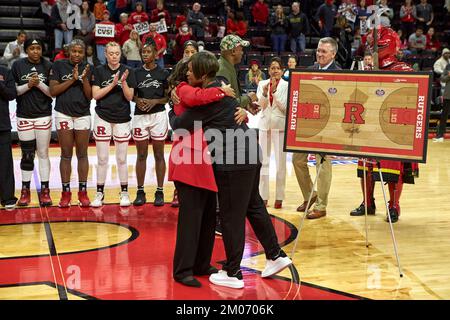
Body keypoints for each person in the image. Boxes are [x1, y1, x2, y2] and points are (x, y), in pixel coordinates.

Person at [169, 51, 292, 289]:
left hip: (233, 160)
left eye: (192, 70)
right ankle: (276, 255)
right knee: (253, 205)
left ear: (203, 75)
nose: (188, 73)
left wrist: (177, 105)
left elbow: (178, 124)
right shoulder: (221, 87)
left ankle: (233, 272)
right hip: (251, 153)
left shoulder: (209, 98)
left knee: (231, 215)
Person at [167, 53, 237, 288]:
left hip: (205, 162)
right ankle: (183, 270)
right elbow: (197, 99)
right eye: (186, 69)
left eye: (191, 68)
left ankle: (201, 264)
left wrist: (243, 106)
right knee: (191, 219)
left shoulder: (204, 91)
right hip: (188, 161)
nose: (187, 72)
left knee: (207, 217)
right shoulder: (184, 89)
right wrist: (223, 92)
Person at [354, 26, 419, 223]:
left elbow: (413, 102)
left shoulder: (404, 70)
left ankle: (393, 206)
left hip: (394, 130)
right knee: (365, 166)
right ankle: (368, 203)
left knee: (393, 168)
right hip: (369, 127)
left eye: (377, 45)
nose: (373, 49)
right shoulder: (366, 71)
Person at [292, 37, 340, 219]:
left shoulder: (340, 73)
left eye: (324, 51)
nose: (319, 54)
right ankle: (310, 195)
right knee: (297, 160)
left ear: (333, 54)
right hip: (307, 124)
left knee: (323, 163)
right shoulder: (310, 70)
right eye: (318, 51)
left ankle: (321, 206)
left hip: (327, 126)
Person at [91, 41, 136, 207]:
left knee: (122, 158)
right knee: (102, 158)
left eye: (117, 53)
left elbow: (130, 96)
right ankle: (99, 193)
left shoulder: (128, 70)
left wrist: (123, 82)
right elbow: (95, 95)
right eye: (111, 53)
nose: (114, 56)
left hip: (122, 118)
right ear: (105, 54)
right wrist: (112, 83)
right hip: (102, 116)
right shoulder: (99, 70)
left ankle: (124, 192)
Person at [49, 39, 92, 208]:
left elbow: (90, 96)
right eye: (74, 51)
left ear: (84, 53)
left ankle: (83, 192)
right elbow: (53, 91)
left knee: (82, 154)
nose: (77, 54)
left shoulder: (89, 68)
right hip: (63, 114)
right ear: (68, 51)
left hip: (82, 114)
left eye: (80, 52)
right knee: (66, 154)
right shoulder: (58, 66)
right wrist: (72, 80)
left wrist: (84, 80)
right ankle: (65, 193)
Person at [12, 38, 53, 207]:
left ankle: (45, 190)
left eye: (38, 48)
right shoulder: (17, 65)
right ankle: (25, 190)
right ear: (26, 50)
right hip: (24, 116)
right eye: (32, 48)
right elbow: (12, 91)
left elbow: (53, 93)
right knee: (27, 155)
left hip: (43, 115)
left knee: (43, 153)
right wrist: (28, 85)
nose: (35, 51)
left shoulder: (49, 65)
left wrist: (39, 84)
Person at [132, 39, 169, 206]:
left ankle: (159, 191)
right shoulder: (136, 73)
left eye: (148, 52)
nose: (145, 54)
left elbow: (168, 97)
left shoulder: (163, 73)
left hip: (158, 116)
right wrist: (137, 100)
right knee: (141, 155)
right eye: (143, 52)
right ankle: (140, 191)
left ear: (155, 54)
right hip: (140, 116)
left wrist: (155, 102)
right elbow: (131, 94)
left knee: (159, 154)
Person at [256, 57, 288, 209]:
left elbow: (284, 108)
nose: (274, 70)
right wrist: (264, 93)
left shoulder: (287, 85)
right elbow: (260, 106)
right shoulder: (262, 84)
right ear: (268, 70)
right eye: (272, 68)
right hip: (264, 126)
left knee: (281, 163)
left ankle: (280, 197)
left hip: (280, 127)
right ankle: (263, 196)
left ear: (282, 71)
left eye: (277, 68)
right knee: (264, 162)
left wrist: (274, 92)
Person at [0, 65, 17, 209]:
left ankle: (8, 198)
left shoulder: (5, 72)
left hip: (2, 125)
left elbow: (11, 94)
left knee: (5, 163)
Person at [434, 63, 450, 142]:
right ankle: (440, 136)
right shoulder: (448, 66)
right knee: (444, 116)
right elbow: (442, 79)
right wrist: (449, 76)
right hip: (448, 95)